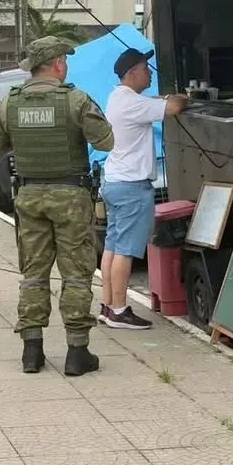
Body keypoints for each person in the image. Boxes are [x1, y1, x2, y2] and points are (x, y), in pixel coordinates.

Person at [0, 36, 115, 376]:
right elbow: (106, 141)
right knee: (76, 273)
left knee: (33, 274)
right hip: (70, 197)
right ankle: (77, 352)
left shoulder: (10, 103)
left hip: (29, 197)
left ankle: (32, 351)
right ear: (57, 64)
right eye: (64, 61)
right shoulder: (75, 99)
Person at [98, 48, 187, 329]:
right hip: (131, 187)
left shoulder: (118, 98)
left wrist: (161, 99)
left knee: (112, 246)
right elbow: (175, 107)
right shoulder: (134, 105)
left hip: (114, 182)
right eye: (146, 69)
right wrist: (184, 97)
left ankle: (108, 305)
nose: (150, 74)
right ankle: (120, 310)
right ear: (133, 72)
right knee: (125, 250)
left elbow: (152, 103)